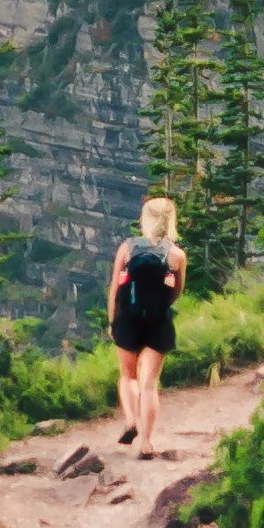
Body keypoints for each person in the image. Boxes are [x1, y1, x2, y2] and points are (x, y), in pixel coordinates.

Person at [105, 194, 186, 452]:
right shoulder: (176, 255)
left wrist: (112, 321)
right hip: (158, 323)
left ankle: (130, 421)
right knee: (149, 384)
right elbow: (178, 292)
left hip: (128, 321)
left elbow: (114, 289)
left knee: (128, 376)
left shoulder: (128, 248)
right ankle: (147, 443)